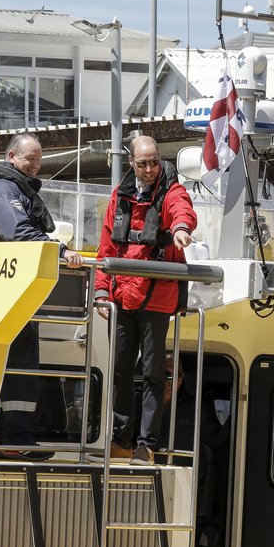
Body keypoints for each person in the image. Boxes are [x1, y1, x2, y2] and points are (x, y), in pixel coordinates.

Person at [0, 132, 83, 460]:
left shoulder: (14, 187)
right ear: (11, 157)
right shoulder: (4, 189)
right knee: (18, 364)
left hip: (14, 291)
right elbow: (18, 232)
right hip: (2, 291)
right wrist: (60, 249)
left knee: (19, 364)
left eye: (38, 160)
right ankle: (13, 438)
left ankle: (13, 435)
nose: (35, 165)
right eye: (29, 159)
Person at [93, 135, 196, 464]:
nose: (150, 169)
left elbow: (182, 211)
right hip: (122, 295)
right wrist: (100, 290)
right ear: (131, 164)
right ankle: (121, 438)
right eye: (143, 163)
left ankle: (146, 445)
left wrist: (180, 229)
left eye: (154, 162)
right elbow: (107, 247)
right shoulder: (119, 196)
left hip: (156, 297)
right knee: (121, 369)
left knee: (153, 372)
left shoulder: (171, 191)